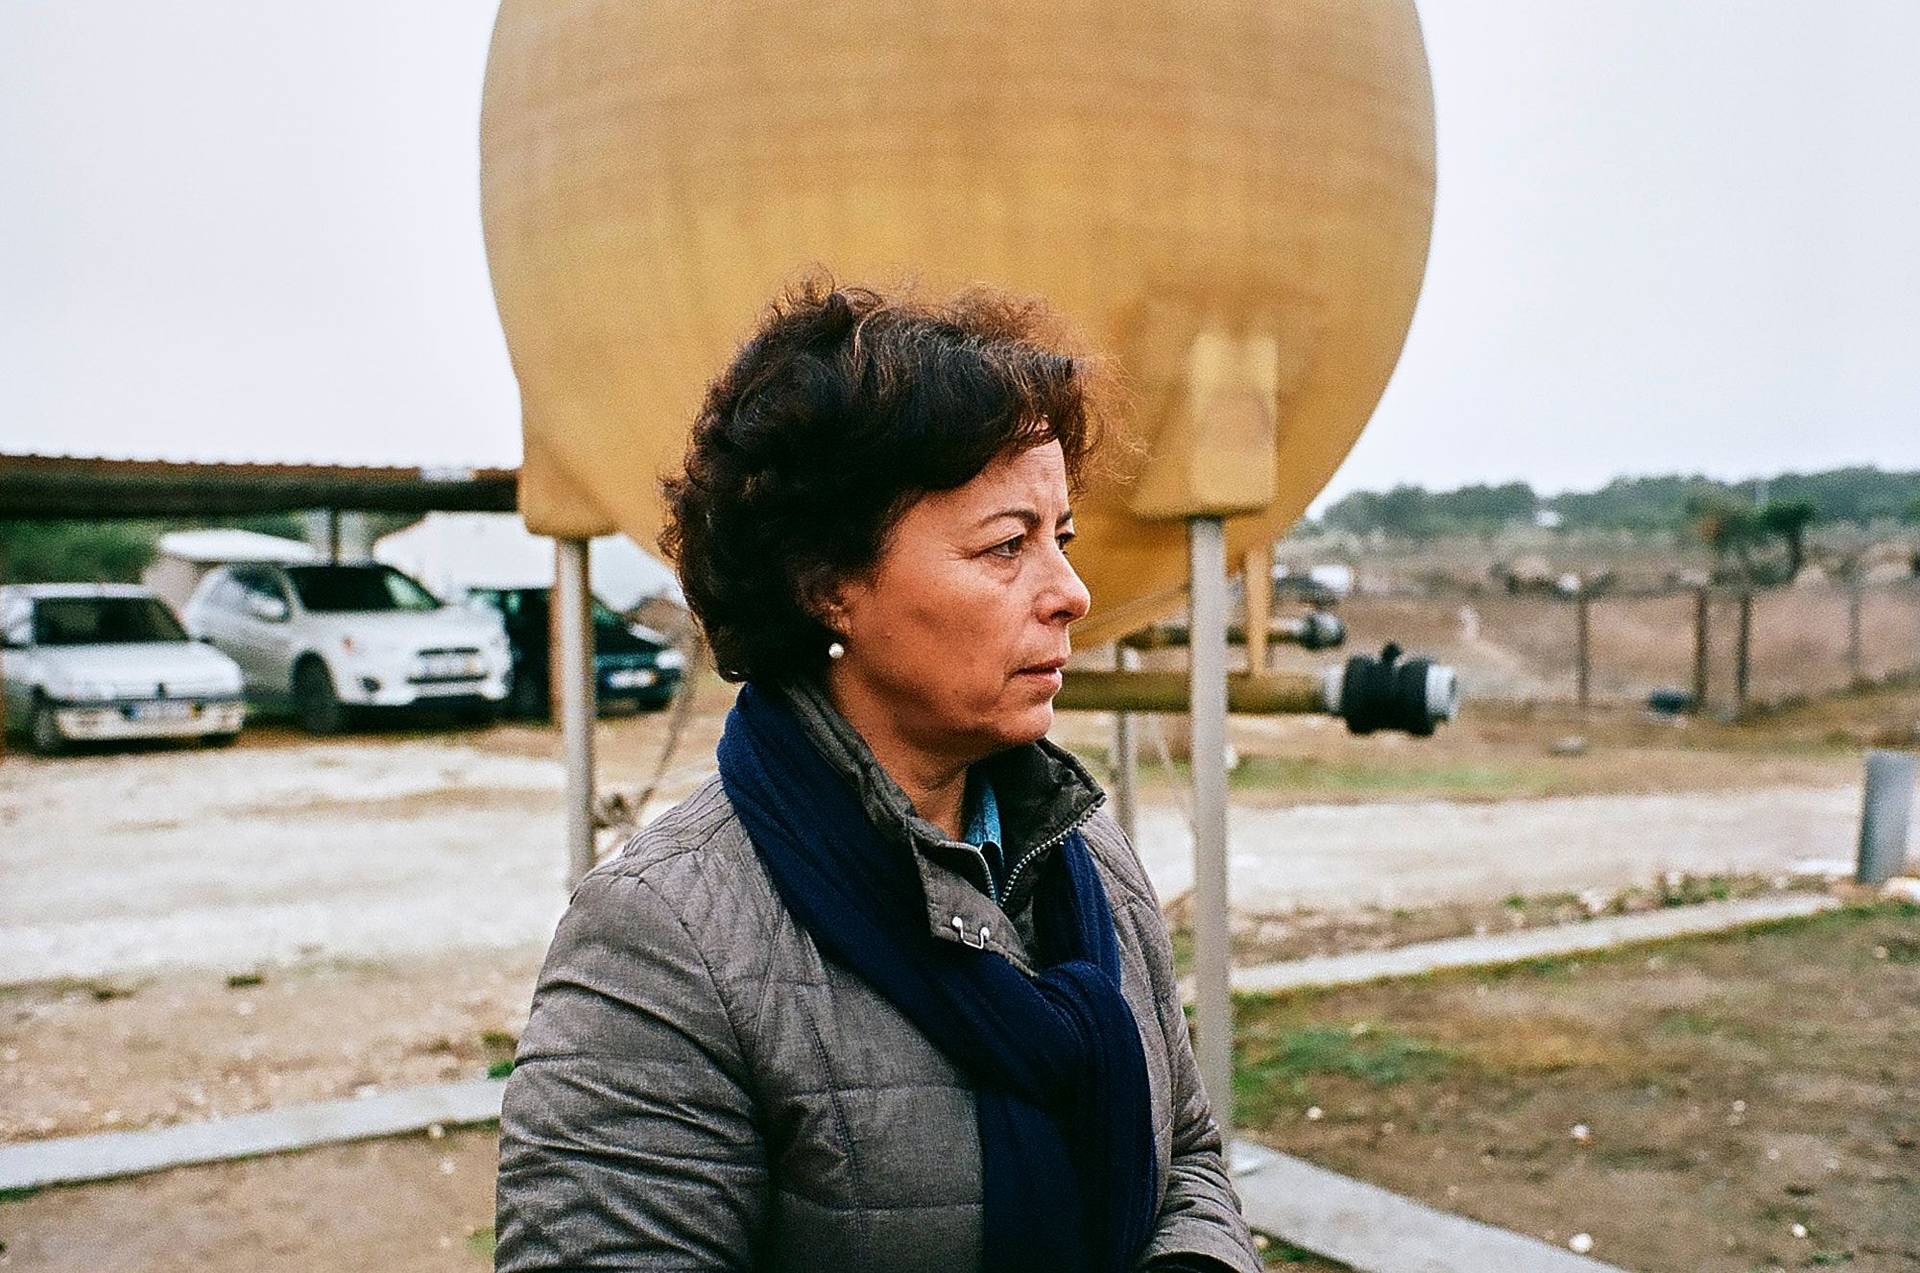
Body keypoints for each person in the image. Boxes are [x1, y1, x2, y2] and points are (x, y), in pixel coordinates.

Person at [494, 277, 1260, 1273]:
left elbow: (1188, 1156)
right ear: (829, 587)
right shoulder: (665, 938)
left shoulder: (1086, 856)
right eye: (1006, 546)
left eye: (1059, 538)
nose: (1070, 592)